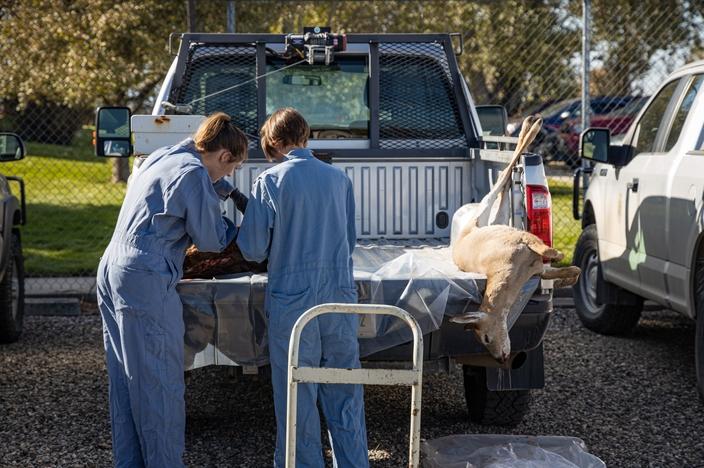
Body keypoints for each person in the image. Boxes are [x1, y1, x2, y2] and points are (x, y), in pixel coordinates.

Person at [97, 112, 248, 467]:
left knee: (126, 380)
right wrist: (237, 217)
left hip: (112, 269)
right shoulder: (195, 174)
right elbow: (211, 240)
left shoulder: (166, 155)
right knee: (160, 382)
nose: (228, 176)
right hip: (145, 277)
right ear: (223, 156)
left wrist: (220, 188)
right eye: (231, 168)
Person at [237, 108, 368, 467]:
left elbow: (252, 249)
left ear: (273, 142)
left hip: (293, 300)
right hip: (339, 294)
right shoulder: (338, 179)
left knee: (297, 392)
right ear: (305, 136)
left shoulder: (269, 182)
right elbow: (350, 239)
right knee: (344, 388)